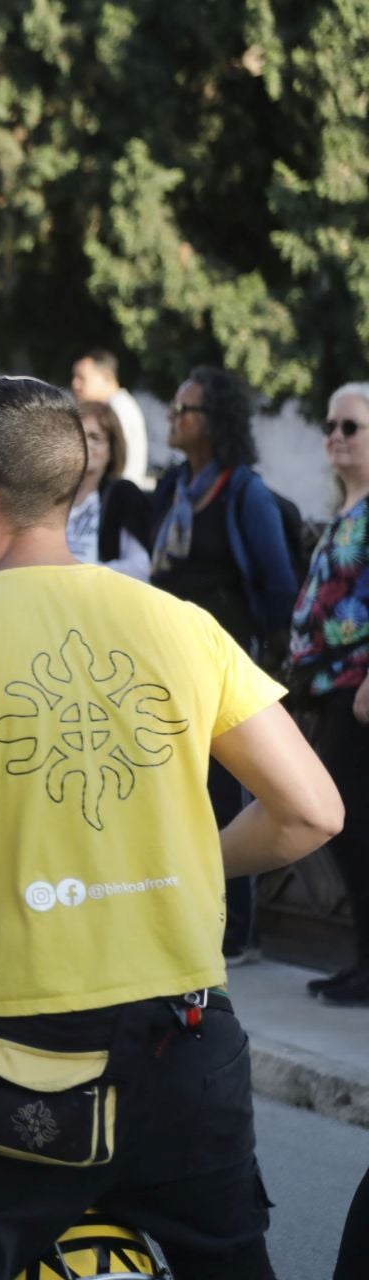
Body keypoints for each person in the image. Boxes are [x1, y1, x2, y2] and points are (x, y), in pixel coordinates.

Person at [0, 373, 342, 1279]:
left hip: (17, 1057)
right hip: (188, 1045)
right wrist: (193, 866)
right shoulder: (178, 624)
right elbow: (313, 810)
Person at [150, 368, 300, 965]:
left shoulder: (244, 494)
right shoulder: (170, 489)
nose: (173, 418)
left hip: (223, 671)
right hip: (162, 668)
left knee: (223, 801)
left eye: (185, 409)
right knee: (172, 797)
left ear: (217, 422)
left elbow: (278, 585)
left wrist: (273, 663)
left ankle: (236, 933)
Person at [287, 382, 369, 1008]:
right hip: (330, 688)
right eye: (332, 426)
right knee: (349, 827)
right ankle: (361, 961)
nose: (336, 437)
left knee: (356, 825)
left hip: (357, 688)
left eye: (352, 427)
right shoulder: (348, 506)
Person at [67, 399, 154, 579]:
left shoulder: (122, 495)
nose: (85, 444)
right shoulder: (55, 494)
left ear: (112, 449)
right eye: (78, 435)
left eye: (95, 438)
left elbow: (141, 566)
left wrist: (86, 573)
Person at [71, 348, 148, 485]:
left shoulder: (118, 409)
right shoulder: (115, 406)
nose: (75, 384)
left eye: (82, 378)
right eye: (74, 378)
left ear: (107, 378)